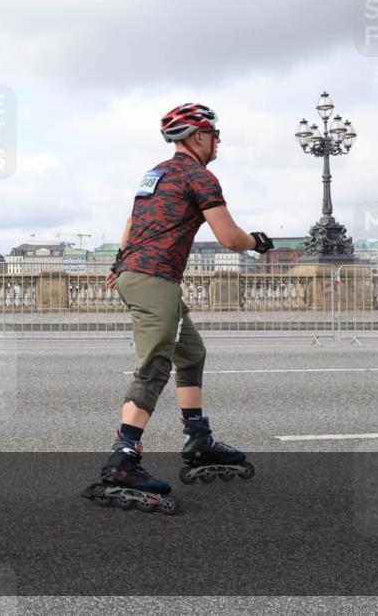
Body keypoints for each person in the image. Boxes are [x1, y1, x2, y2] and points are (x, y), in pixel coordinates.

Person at [99, 103, 273, 498]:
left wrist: (121, 262)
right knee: (154, 365)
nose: (218, 142)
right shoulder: (200, 177)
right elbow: (230, 239)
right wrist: (258, 242)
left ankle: (198, 438)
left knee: (191, 353)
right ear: (197, 137)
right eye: (214, 135)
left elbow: (131, 224)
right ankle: (123, 458)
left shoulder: (154, 173)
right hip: (154, 278)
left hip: (140, 274)